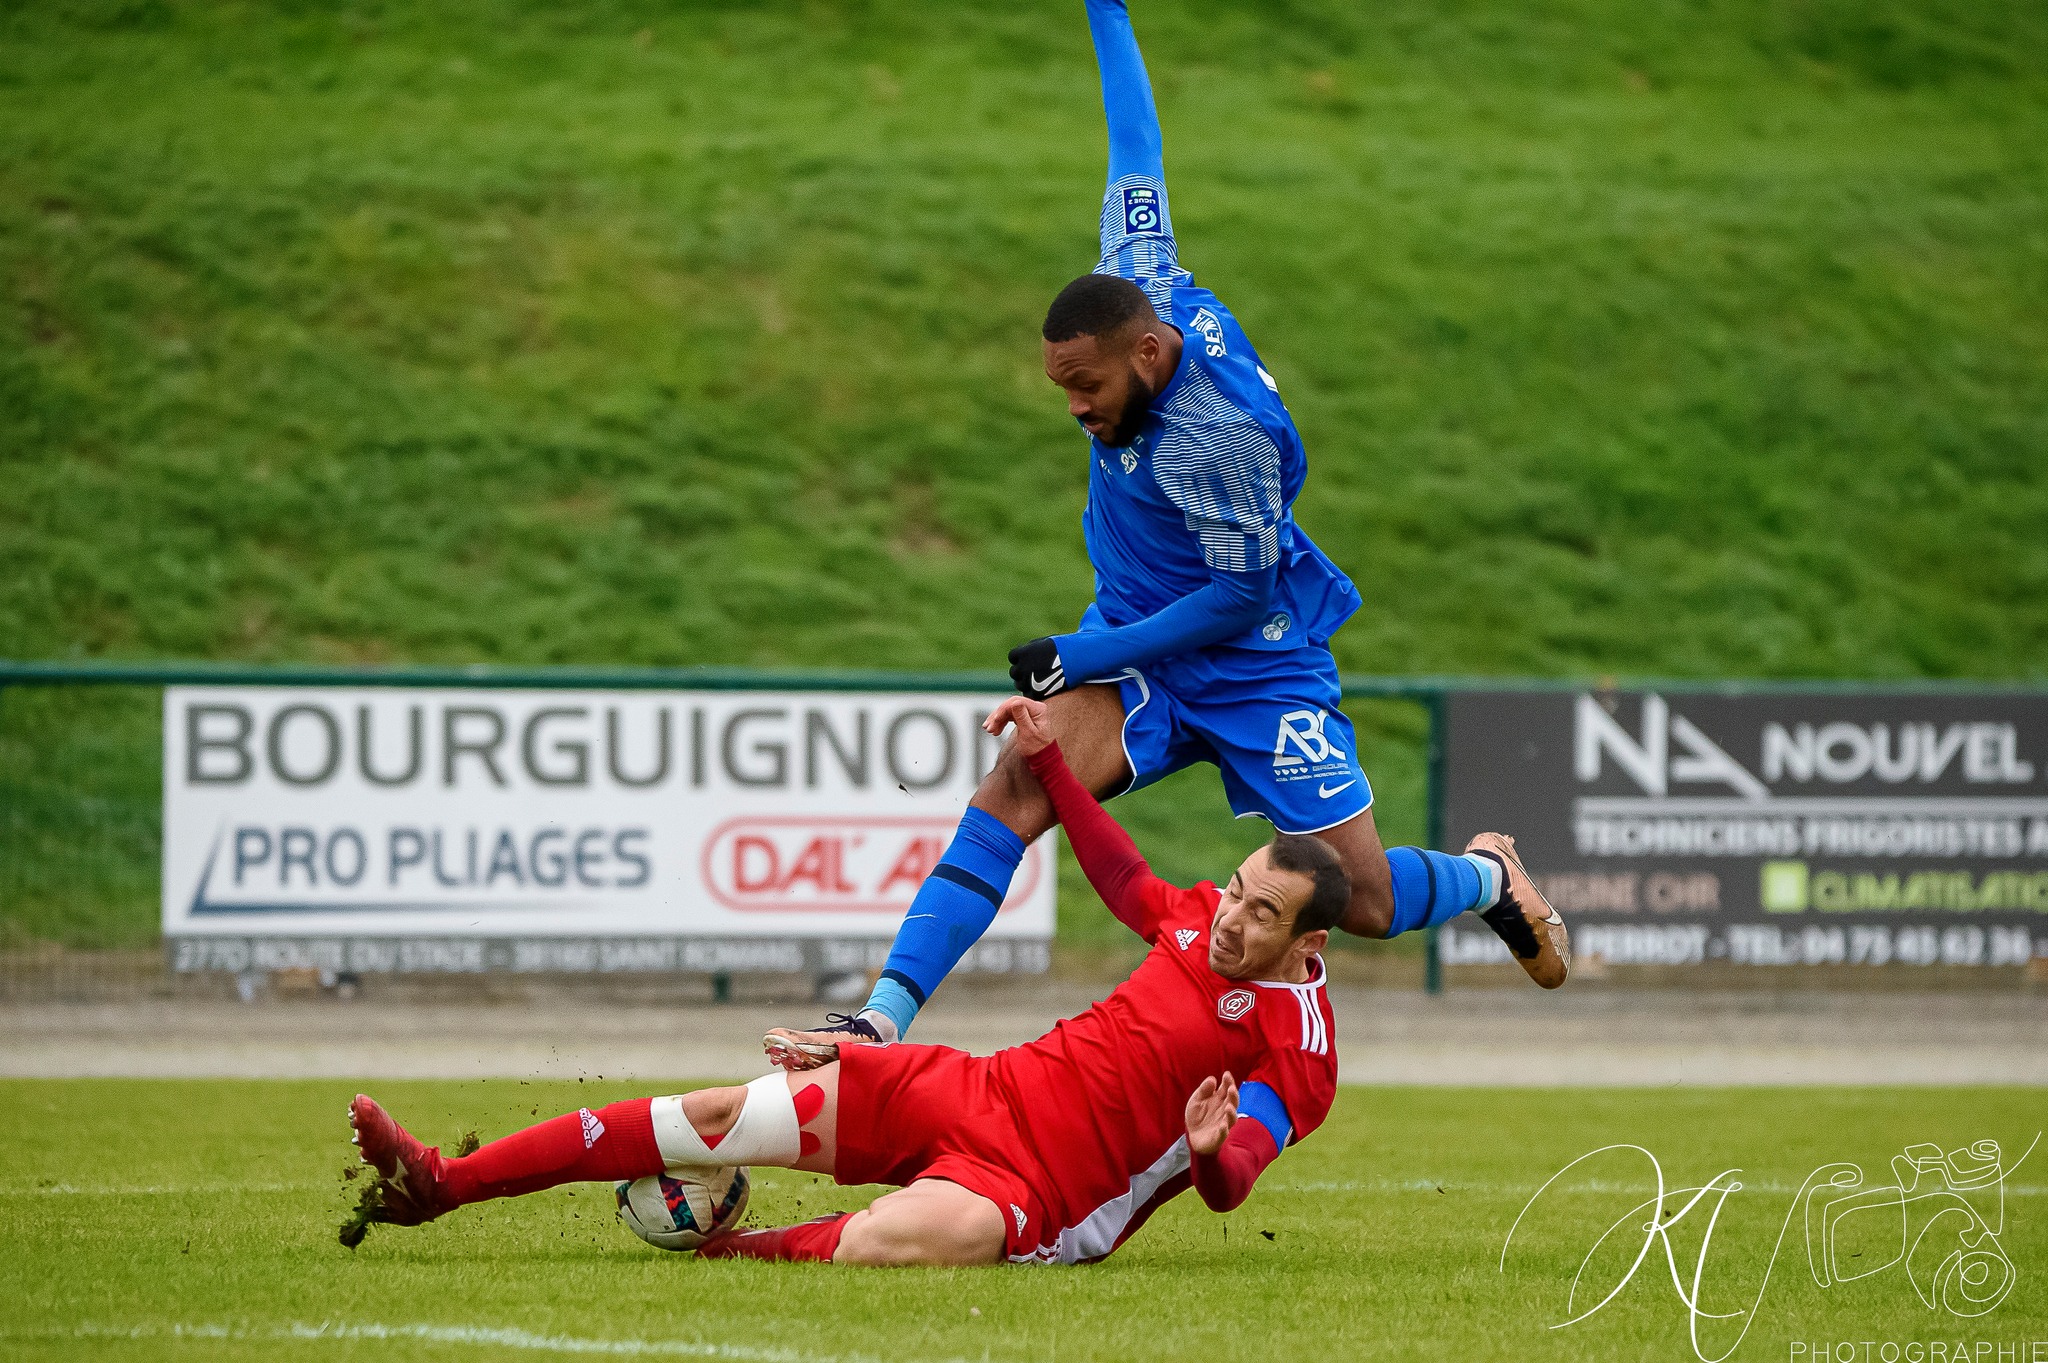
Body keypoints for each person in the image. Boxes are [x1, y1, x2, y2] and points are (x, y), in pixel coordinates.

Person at [765, 0, 1566, 1069]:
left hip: (1248, 661)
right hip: (1144, 634)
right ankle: (879, 1019)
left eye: (1086, 388)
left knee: (1364, 900)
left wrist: (1078, 655)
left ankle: (1486, 874)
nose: (1074, 410)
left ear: (1146, 355)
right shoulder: (1142, 279)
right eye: (1061, 387)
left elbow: (1235, 599)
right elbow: (1134, 141)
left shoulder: (1215, 442)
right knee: (1016, 784)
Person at [346, 698, 1343, 1266]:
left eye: (1259, 913)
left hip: (1036, 1192)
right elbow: (1126, 878)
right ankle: (435, 1184)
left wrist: (1209, 1155)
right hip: (977, 1086)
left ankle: (726, 1254)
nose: (1228, 915)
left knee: (908, 1237)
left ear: (1306, 949)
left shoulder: (1293, 1052)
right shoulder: (1199, 915)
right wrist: (1050, 765)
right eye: (1238, 890)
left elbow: (1233, 1179)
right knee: (713, 1114)